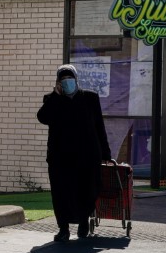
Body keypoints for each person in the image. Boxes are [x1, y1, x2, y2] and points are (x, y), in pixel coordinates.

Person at [37, 63, 111, 242]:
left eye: (70, 79)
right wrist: (56, 95)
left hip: (87, 156)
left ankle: (83, 222)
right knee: (61, 192)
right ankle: (63, 228)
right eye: (63, 80)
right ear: (58, 82)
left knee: (86, 189)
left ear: (76, 79)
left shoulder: (90, 98)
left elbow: (99, 126)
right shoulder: (52, 99)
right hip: (60, 158)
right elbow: (43, 117)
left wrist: (105, 152)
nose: (67, 82)